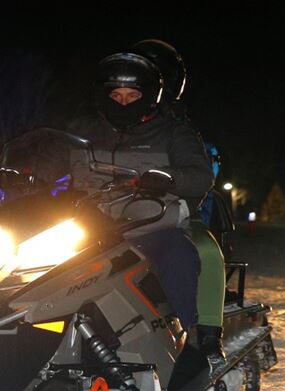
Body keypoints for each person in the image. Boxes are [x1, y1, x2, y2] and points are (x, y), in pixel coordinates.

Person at [68, 47, 220, 364]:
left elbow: (200, 176)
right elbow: (48, 158)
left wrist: (169, 178)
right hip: (90, 228)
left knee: (179, 254)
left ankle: (186, 343)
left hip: (150, 225)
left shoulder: (172, 130)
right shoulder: (84, 130)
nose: (123, 103)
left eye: (132, 95)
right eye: (116, 95)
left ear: (149, 95)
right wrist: (18, 174)